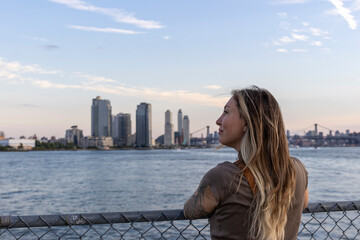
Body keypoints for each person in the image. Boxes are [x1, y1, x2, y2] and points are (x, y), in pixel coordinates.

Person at [183, 86, 309, 240]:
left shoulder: (224, 176)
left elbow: (190, 211)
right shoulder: (297, 170)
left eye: (226, 112)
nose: (218, 120)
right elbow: (303, 203)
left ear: (247, 123)